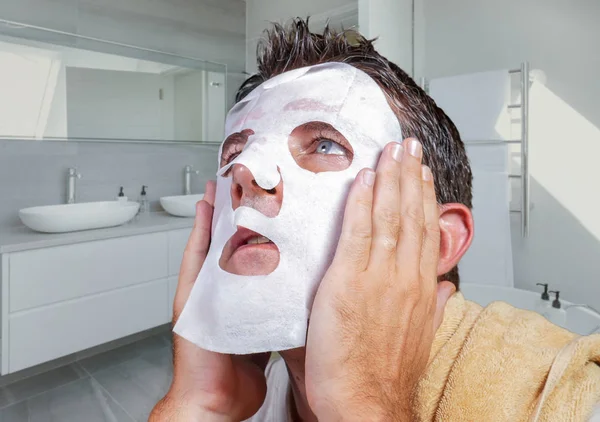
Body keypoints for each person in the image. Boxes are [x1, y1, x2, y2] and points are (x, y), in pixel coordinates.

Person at [150, 19, 600, 421]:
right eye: (234, 153)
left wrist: (365, 406)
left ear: (438, 242)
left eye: (325, 144)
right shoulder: (240, 398)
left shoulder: (566, 399)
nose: (245, 173)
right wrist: (198, 404)